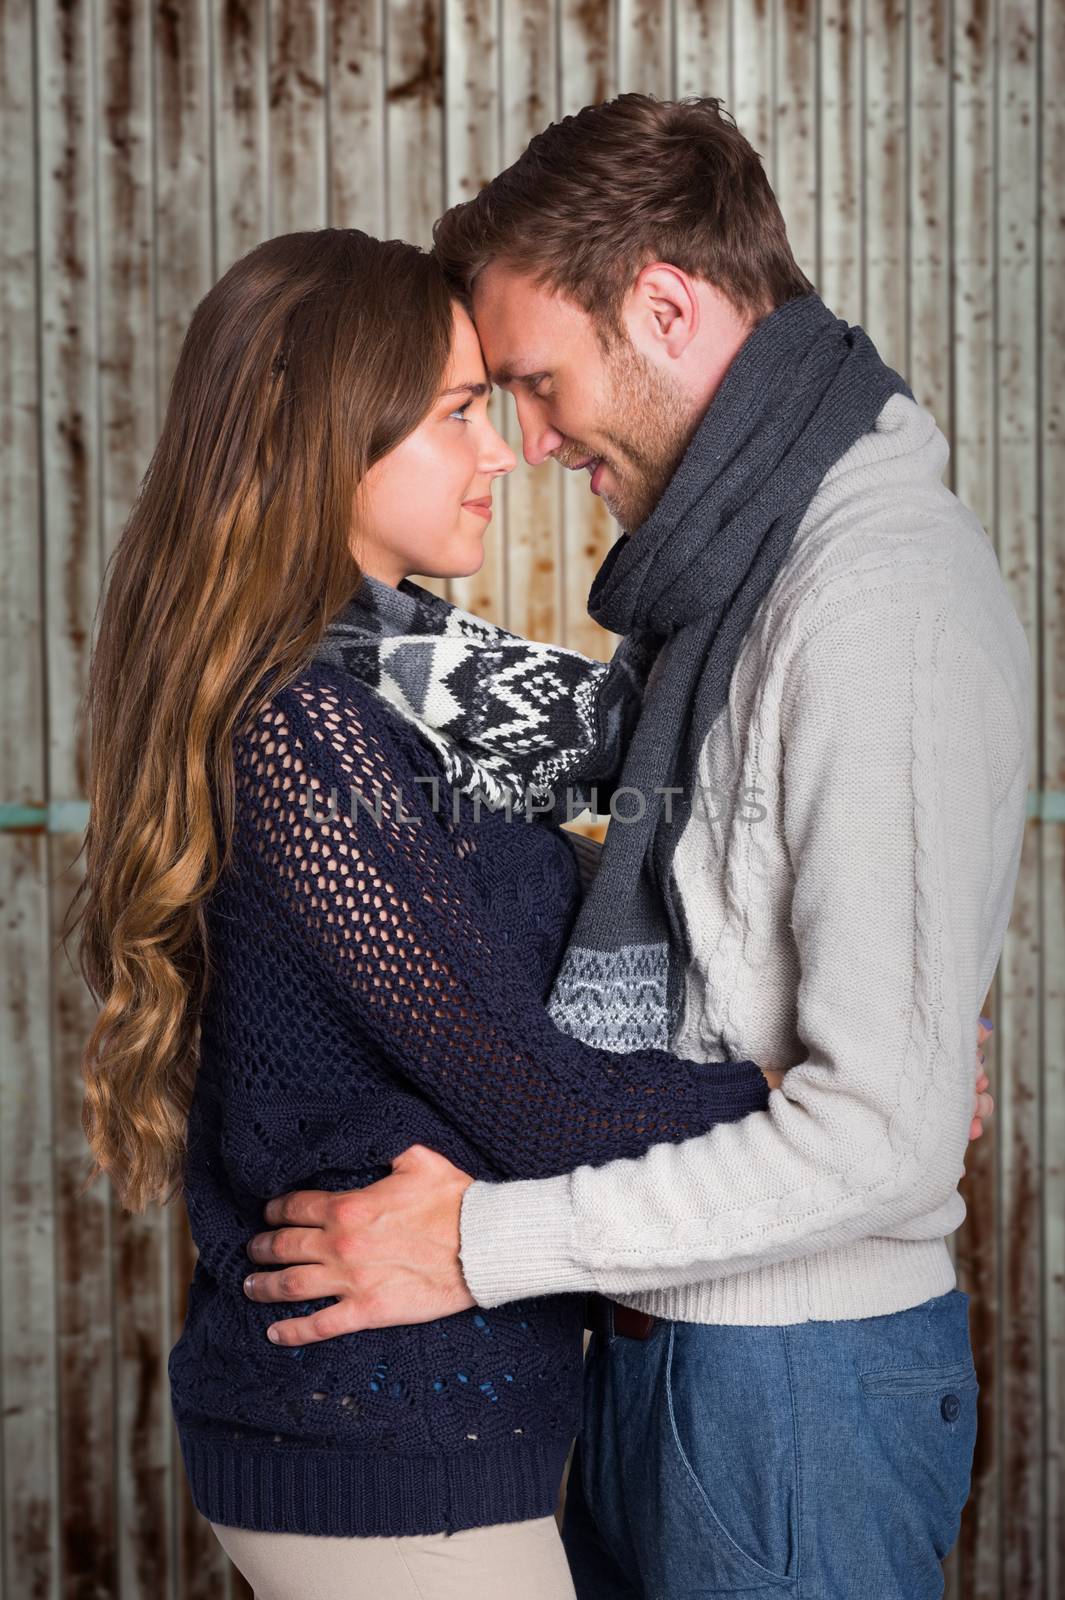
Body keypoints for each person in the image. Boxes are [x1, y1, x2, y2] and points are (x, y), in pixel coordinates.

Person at [242, 96, 1024, 1598]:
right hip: (658, 1352)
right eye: (476, 406)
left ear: (663, 305)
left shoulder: (872, 607)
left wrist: (474, 1245)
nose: (527, 445)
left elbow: (877, 1136)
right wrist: (810, 1072)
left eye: (530, 384)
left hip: (787, 1383)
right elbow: (641, 898)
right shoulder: (733, 584)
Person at [67, 222, 845, 1600]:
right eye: (452, 415)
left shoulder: (405, 680)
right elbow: (530, 1101)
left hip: (433, 1431)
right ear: (320, 439)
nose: (500, 453)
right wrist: (799, 1100)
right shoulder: (306, 730)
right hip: (377, 1447)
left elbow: (647, 731)